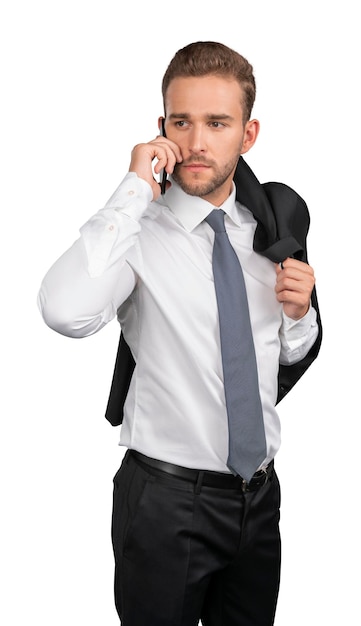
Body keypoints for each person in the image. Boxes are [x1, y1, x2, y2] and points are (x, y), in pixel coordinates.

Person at [38, 41, 321, 626]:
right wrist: (134, 187)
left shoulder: (272, 227)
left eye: (217, 123)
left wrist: (300, 316)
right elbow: (65, 311)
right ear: (160, 127)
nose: (196, 143)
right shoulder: (135, 232)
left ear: (248, 135)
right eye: (181, 121)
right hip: (166, 504)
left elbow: (284, 357)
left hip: (259, 500)